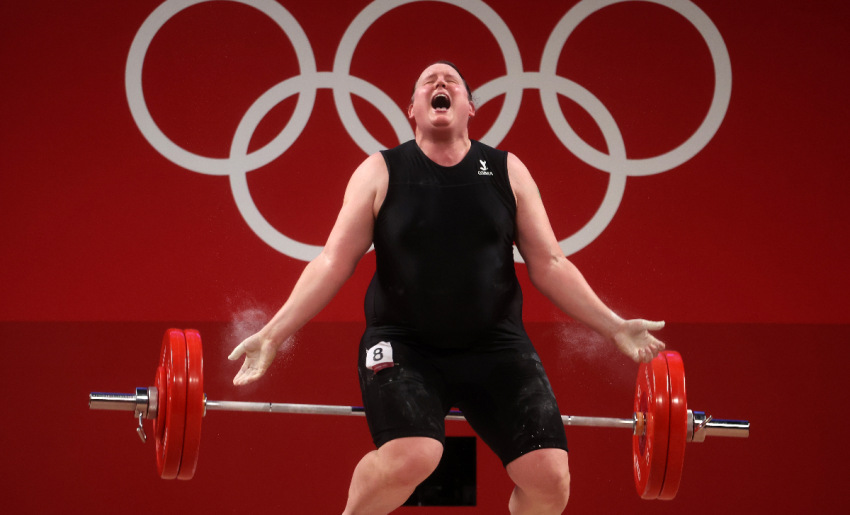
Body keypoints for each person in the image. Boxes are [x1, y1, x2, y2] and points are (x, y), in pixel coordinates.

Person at [228, 61, 665, 515]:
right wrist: (274, 334)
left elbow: (551, 264)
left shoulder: (506, 170)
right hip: (403, 345)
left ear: (470, 107)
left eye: (451, 80)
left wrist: (613, 326)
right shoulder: (380, 171)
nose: (439, 83)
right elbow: (332, 262)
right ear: (412, 110)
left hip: (495, 345)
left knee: (550, 478)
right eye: (427, 83)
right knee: (416, 456)